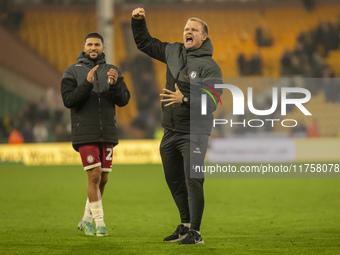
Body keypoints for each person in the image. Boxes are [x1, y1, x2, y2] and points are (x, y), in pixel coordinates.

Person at [131, 8, 222, 244]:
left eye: (194, 29)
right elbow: (144, 43)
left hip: (194, 132)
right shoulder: (172, 51)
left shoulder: (210, 67)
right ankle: (185, 225)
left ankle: (196, 233)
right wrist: (138, 21)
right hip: (170, 130)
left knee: (193, 179)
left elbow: (212, 102)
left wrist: (185, 99)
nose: (188, 32)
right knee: (173, 179)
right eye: (186, 29)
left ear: (204, 37)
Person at [61, 32, 130, 236]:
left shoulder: (113, 70)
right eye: (90, 44)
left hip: (107, 132)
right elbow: (68, 100)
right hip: (85, 132)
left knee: (104, 178)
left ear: (103, 48)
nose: (93, 47)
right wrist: (87, 84)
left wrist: (116, 85)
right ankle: (99, 223)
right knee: (94, 175)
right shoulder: (72, 71)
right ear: (84, 48)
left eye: (97, 44)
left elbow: (124, 100)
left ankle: (86, 219)